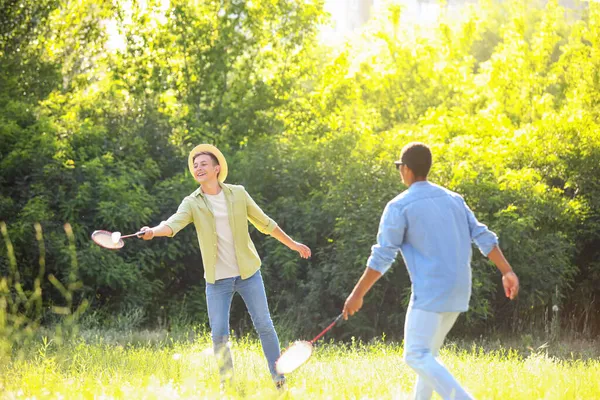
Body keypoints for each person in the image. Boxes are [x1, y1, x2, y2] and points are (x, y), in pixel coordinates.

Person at [342, 142, 519, 400]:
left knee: (415, 355)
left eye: (399, 167)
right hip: (459, 291)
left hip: (430, 294)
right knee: (428, 357)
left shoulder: (399, 206)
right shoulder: (454, 199)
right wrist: (507, 271)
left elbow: (382, 256)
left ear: (407, 169)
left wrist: (357, 294)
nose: (399, 171)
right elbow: (483, 236)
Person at [139, 144, 311, 389]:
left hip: (248, 274)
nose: (198, 168)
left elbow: (265, 223)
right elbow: (172, 224)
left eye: (203, 164)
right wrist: (152, 232)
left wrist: (292, 244)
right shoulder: (192, 202)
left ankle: (279, 379)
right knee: (219, 333)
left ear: (217, 168)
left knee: (264, 325)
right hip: (217, 280)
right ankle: (228, 386)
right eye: (195, 165)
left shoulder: (238, 194)